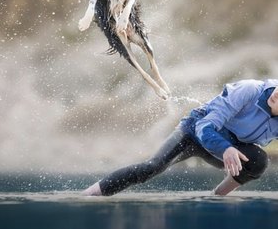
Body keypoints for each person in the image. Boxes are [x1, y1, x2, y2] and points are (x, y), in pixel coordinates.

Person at [83, 79, 278, 196]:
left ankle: (218, 196)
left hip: (231, 149)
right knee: (151, 167)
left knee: (258, 161)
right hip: (193, 133)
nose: (277, 94)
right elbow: (205, 126)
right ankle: (88, 195)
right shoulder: (249, 90)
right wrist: (225, 148)